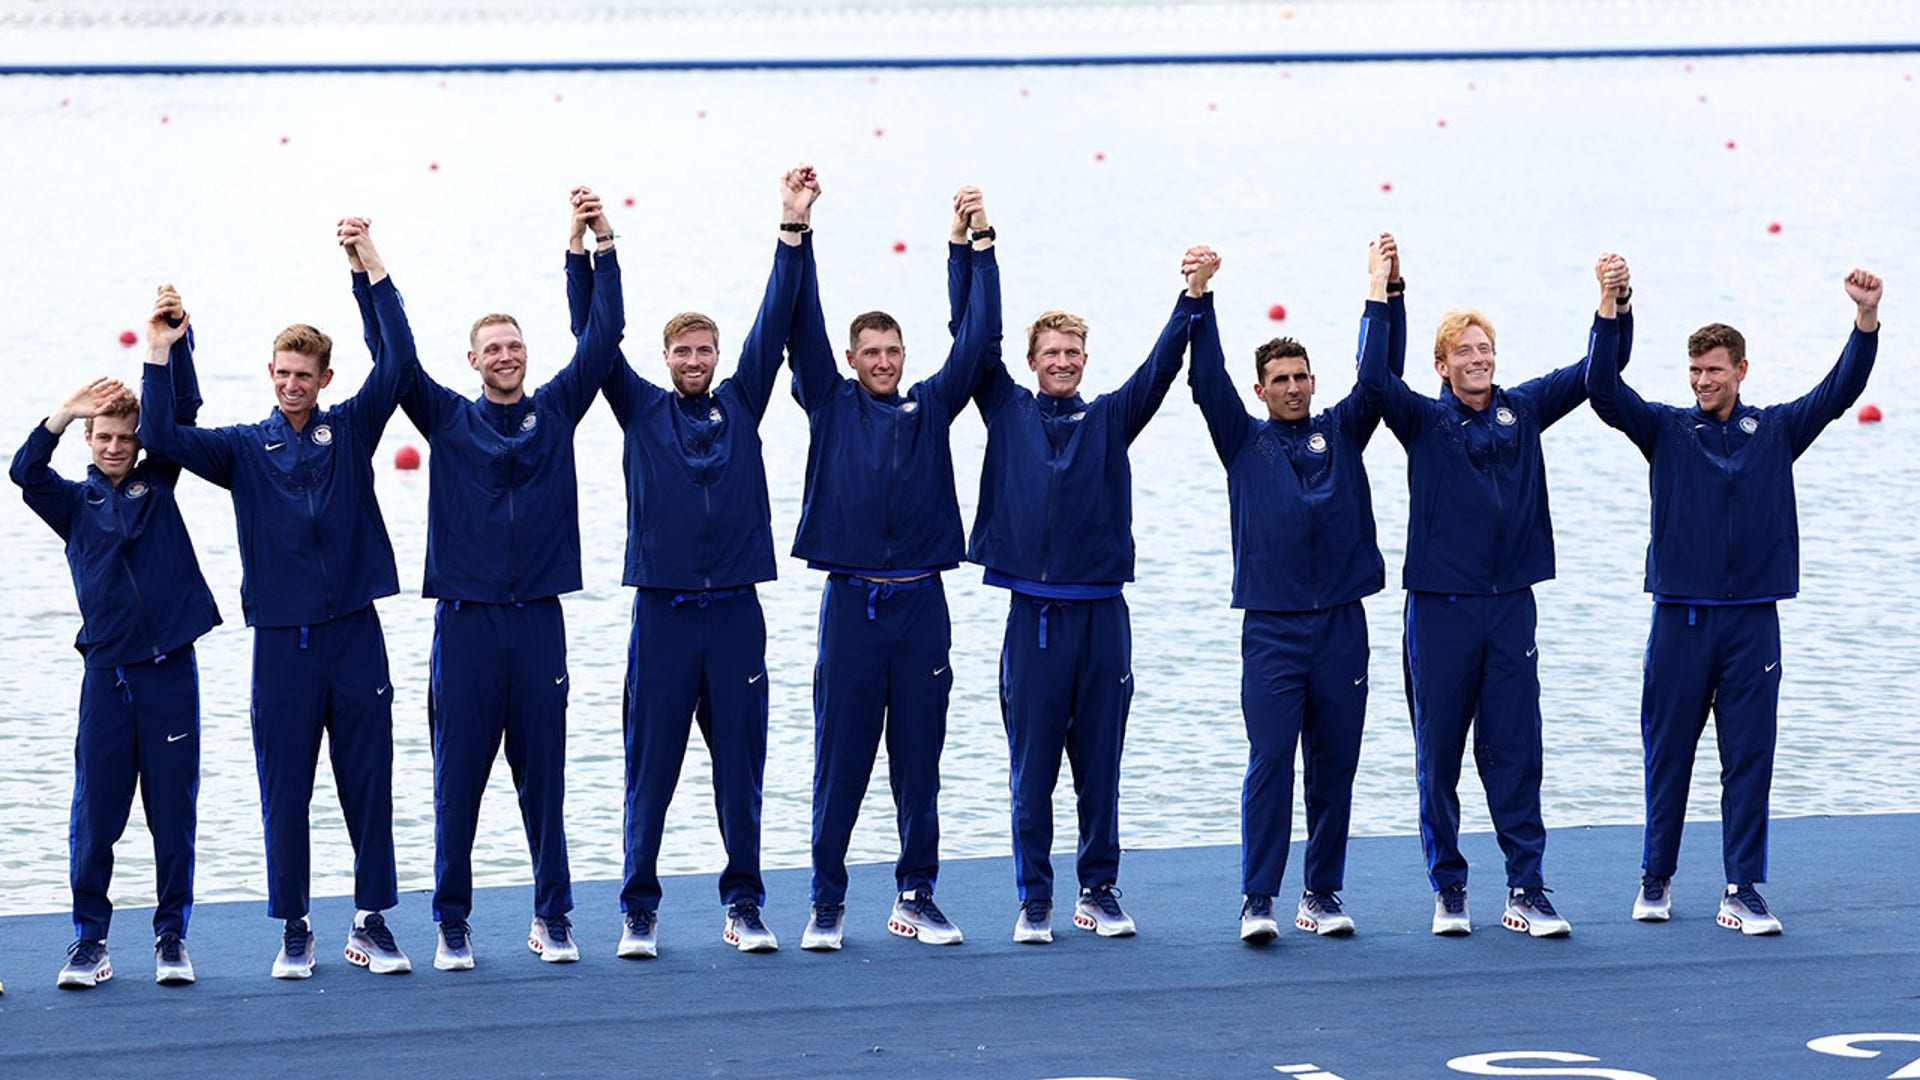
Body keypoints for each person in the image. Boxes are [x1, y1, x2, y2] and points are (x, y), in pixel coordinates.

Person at [351, 191, 625, 971]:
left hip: (538, 621)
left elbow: (605, 338)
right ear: (473, 361)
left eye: (514, 346)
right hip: (467, 626)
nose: (506, 356)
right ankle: (452, 922)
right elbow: (395, 357)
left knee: (546, 781)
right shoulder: (444, 418)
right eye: (491, 349)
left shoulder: (558, 410)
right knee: (458, 784)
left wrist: (598, 243)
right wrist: (370, 268)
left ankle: (553, 917)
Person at [140, 223, 421, 978]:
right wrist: (165, 348)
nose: (292, 383)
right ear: (270, 372)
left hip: (356, 633)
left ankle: (370, 922)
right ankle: (295, 927)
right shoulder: (240, 448)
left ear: (325, 379)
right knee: (284, 788)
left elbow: (397, 362)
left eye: (305, 374)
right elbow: (161, 434)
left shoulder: (353, 428)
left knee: (368, 781)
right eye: (283, 373)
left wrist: (371, 271)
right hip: (282, 645)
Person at [1587, 260, 1881, 934]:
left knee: (1749, 760)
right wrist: (1610, 306)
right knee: (1668, 757)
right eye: (1694, 371)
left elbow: (1839, 391)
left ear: (1741, 370)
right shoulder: (1665, 430)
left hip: (1752, 622)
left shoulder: (1774, 432)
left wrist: (1864, 322)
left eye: (1714, 370)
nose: (1702, 382)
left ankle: (1742, 889)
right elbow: (1602, 388)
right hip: (1679, 621)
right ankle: (1655, 879)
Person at [572, 167, 813, 957]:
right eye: (684, 349)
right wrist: (593, 251)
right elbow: (594, 342)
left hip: (737, 616)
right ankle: (639, 909)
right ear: (666, 356)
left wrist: (791, 226)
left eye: (706, 348)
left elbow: (775, 325)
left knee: (740, 774)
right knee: (651, 774)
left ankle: (743, 906)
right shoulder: (639, 409)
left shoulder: (745, 402)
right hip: (665, 617)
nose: (697, 358)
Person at [1361, 243, 1627, 939]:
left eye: (1486, 348)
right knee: (1438, 756)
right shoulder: (1421, 419)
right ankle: (1449, 888)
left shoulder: (1525, 409)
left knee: (1515, 752)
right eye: (1465, 351)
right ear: (1442, 365)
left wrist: (1611, 302)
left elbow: (1600, 373)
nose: (1479, 358)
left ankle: (1527, 888)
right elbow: (1372, 375)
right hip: (1440, 612)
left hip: (1511, 608)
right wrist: (1384, 291)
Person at [785, 177, 1001, 951]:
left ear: (905, 356)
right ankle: (826, 902)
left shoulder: (932, 404)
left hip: (921, 609)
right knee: (839, 764)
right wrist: (795, 229)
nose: (882, 361)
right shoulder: (827, 399)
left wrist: (972, 244)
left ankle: (915, 894)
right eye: (869, 352)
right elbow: (797, 320)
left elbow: (979, 337)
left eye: (892, 351)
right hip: (852, 609)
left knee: (919, 763)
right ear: (849, 358)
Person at [969, 243, 1203, 945]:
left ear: (1084, 361)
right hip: (1034, 620)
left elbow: (1161, 369)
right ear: (1033, 360)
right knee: (1031, 771)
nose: (1064, 361)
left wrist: (1192, 297)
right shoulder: (1006, 410)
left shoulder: (1109, 419)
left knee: (1100, 767)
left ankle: (1097, 891)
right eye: (1052, 352)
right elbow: (976, 337)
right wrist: (977, 251)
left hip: (1102, 616)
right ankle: (1034, 900)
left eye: (1074, 352)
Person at [1187, 237, 1404, 943]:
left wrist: (1381, 290)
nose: (1293, 387)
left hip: (1342, 626)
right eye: (1279, 379)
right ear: (1261, 390)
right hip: (1274, 631)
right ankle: (1259, 899)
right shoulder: (1242, 440)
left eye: (1302, 376)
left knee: (1335, 768)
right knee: (1271, 763)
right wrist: (1201, 297)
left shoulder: (1341, 431)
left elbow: (1376, 380)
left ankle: (1322, 894)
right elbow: (1205, 376)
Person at [12, 287, 220, 989]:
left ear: (138, 444)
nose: (112, 447)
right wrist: (65, 410)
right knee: (96, 817)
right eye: (100, 437)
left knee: (172, 815)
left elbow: (179, 417)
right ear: (88, 440)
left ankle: (170, 939)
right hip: (107, 677)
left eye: (122, 438)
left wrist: (174, 342)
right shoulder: (71, 503)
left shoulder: (157, 480)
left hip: (168, 673)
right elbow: (23, 471)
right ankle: (89, 944)